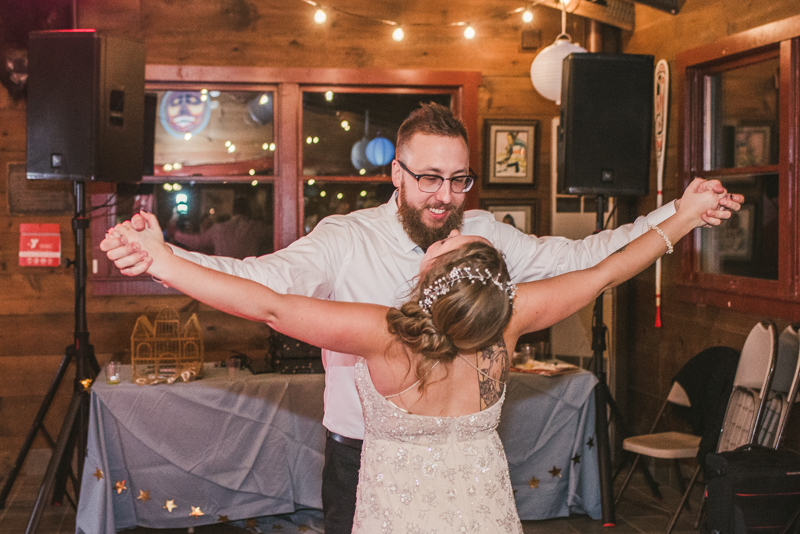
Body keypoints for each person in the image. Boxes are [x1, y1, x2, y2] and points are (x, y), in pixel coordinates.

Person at [101, 103, 742, 533]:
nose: (445, 197)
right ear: (395, 173)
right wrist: (165, 258)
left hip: (473, 465)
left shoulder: (484, 236)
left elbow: (586, 258)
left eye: (460, 180)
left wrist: (676, 214)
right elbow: (266, 284)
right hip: (362, 458)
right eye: (431, 178)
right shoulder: (344, 237)